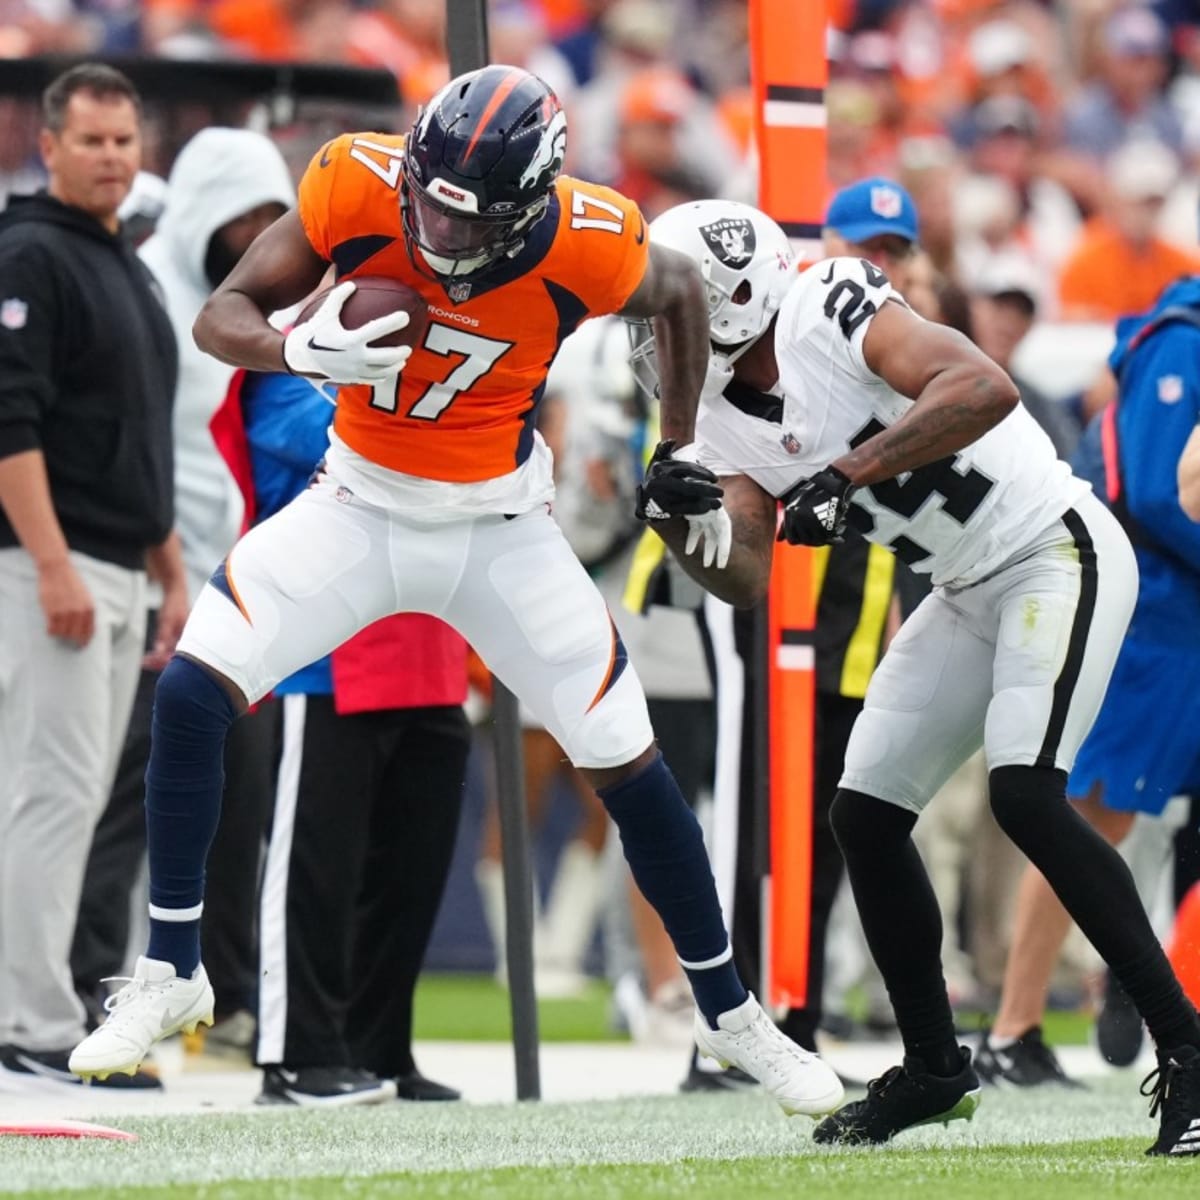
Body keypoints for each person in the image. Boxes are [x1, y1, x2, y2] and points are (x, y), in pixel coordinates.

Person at [67, 64, 844, 1120]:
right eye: (427, 197)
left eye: (468, 215)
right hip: (358, 503)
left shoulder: (593, 235)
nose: (436, 225)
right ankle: (171, 970)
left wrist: (680, 442)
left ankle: (732, 1014)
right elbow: (221, 316)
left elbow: (673, 296)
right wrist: (299, 347)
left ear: (534, 203)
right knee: (193, 690)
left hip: (501, 529)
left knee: (627, 758)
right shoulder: (355, 183)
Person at [630, 196, 1200, 1154]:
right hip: (965, 583)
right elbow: (745, 577)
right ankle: (937, 1068)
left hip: (1052, 548)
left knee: (1025, 795)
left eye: (670, 308)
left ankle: (1187, 1049)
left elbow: (982, 387)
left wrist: (849, 473)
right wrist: (679, 520)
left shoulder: (829, 304)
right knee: (864, 813)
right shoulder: (715, 410)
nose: (655, 330)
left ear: (729, 300)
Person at [70, 126, 296, 1056]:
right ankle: (93, 993)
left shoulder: (270, 309)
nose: (255, 243)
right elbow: (140, 449)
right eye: (241, 222)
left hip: (250, 589)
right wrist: (168, 564)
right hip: (155, 580)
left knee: (242, 804)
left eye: (270, 223)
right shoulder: (150, 293)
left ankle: (233, 997)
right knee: (123, 803)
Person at [0, 63, 184, 1091]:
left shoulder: (120, 260)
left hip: (117, 568)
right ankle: (28, 1022)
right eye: (94, 141)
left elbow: (131, 433)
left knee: (66, 798)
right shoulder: (30, 254)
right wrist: (53, 563)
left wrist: (167, 563)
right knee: (50, 797)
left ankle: (39, 1009)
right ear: (50, 145)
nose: (113, 157)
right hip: (50, 571)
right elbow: (10, 420)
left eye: (125, 141)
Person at [979, 274, 1200, 1085]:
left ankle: (1144, 992)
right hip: (1156, 611)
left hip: (1179, 613)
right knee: (1092, 815)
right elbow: (1160, 492)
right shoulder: (1182, 341)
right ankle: (1015, 1025)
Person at [232, 364, 468, 1106]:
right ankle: (296, 1053)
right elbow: (345, 446)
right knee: (314, 871)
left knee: (410, 870)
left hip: (430, 639)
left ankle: (379, 1046)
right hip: (324, 653)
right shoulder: (283, 368)